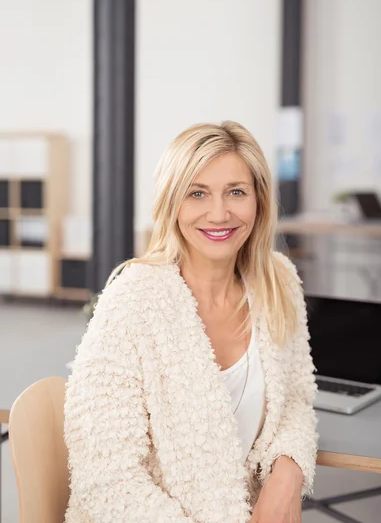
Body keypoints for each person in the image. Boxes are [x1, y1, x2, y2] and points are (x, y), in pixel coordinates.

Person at [64, 121, 318, 523]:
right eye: (196, 193)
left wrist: (287, 473)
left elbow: (297, 399)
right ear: (172, 203)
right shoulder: (133, 299)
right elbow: (106, 479)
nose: (219, 213)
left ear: (259, 200)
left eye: (236, 191)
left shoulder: (278, 282)